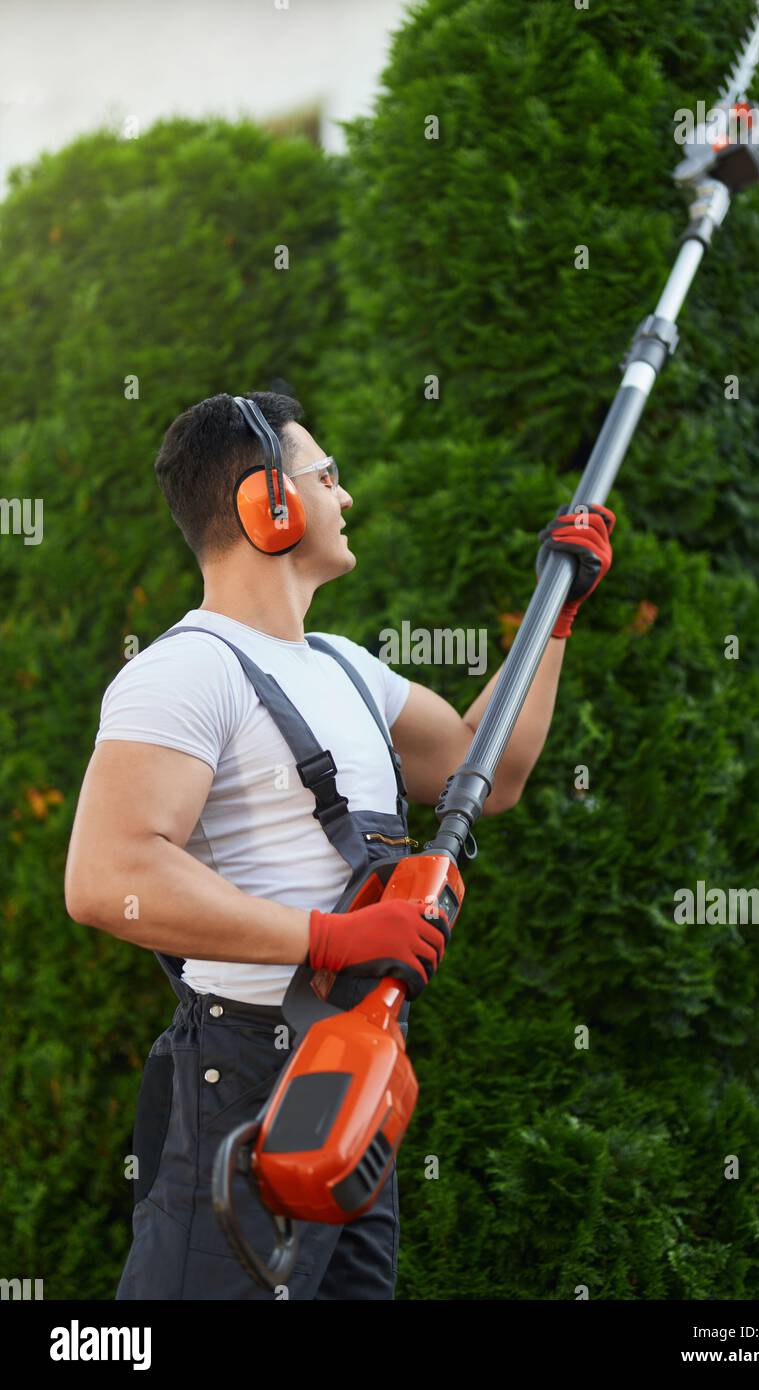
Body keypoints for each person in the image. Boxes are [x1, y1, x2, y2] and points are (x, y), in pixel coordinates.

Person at [64, 390, 615, 1300]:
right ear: (266, 506)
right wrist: (330, 939)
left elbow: (493, 771)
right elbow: (107, 878)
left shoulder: (343, 664)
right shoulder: (184, 670)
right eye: (327, 475)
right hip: (239, 1078)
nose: (346, 496)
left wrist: (555, 616)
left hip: (349, 1074)